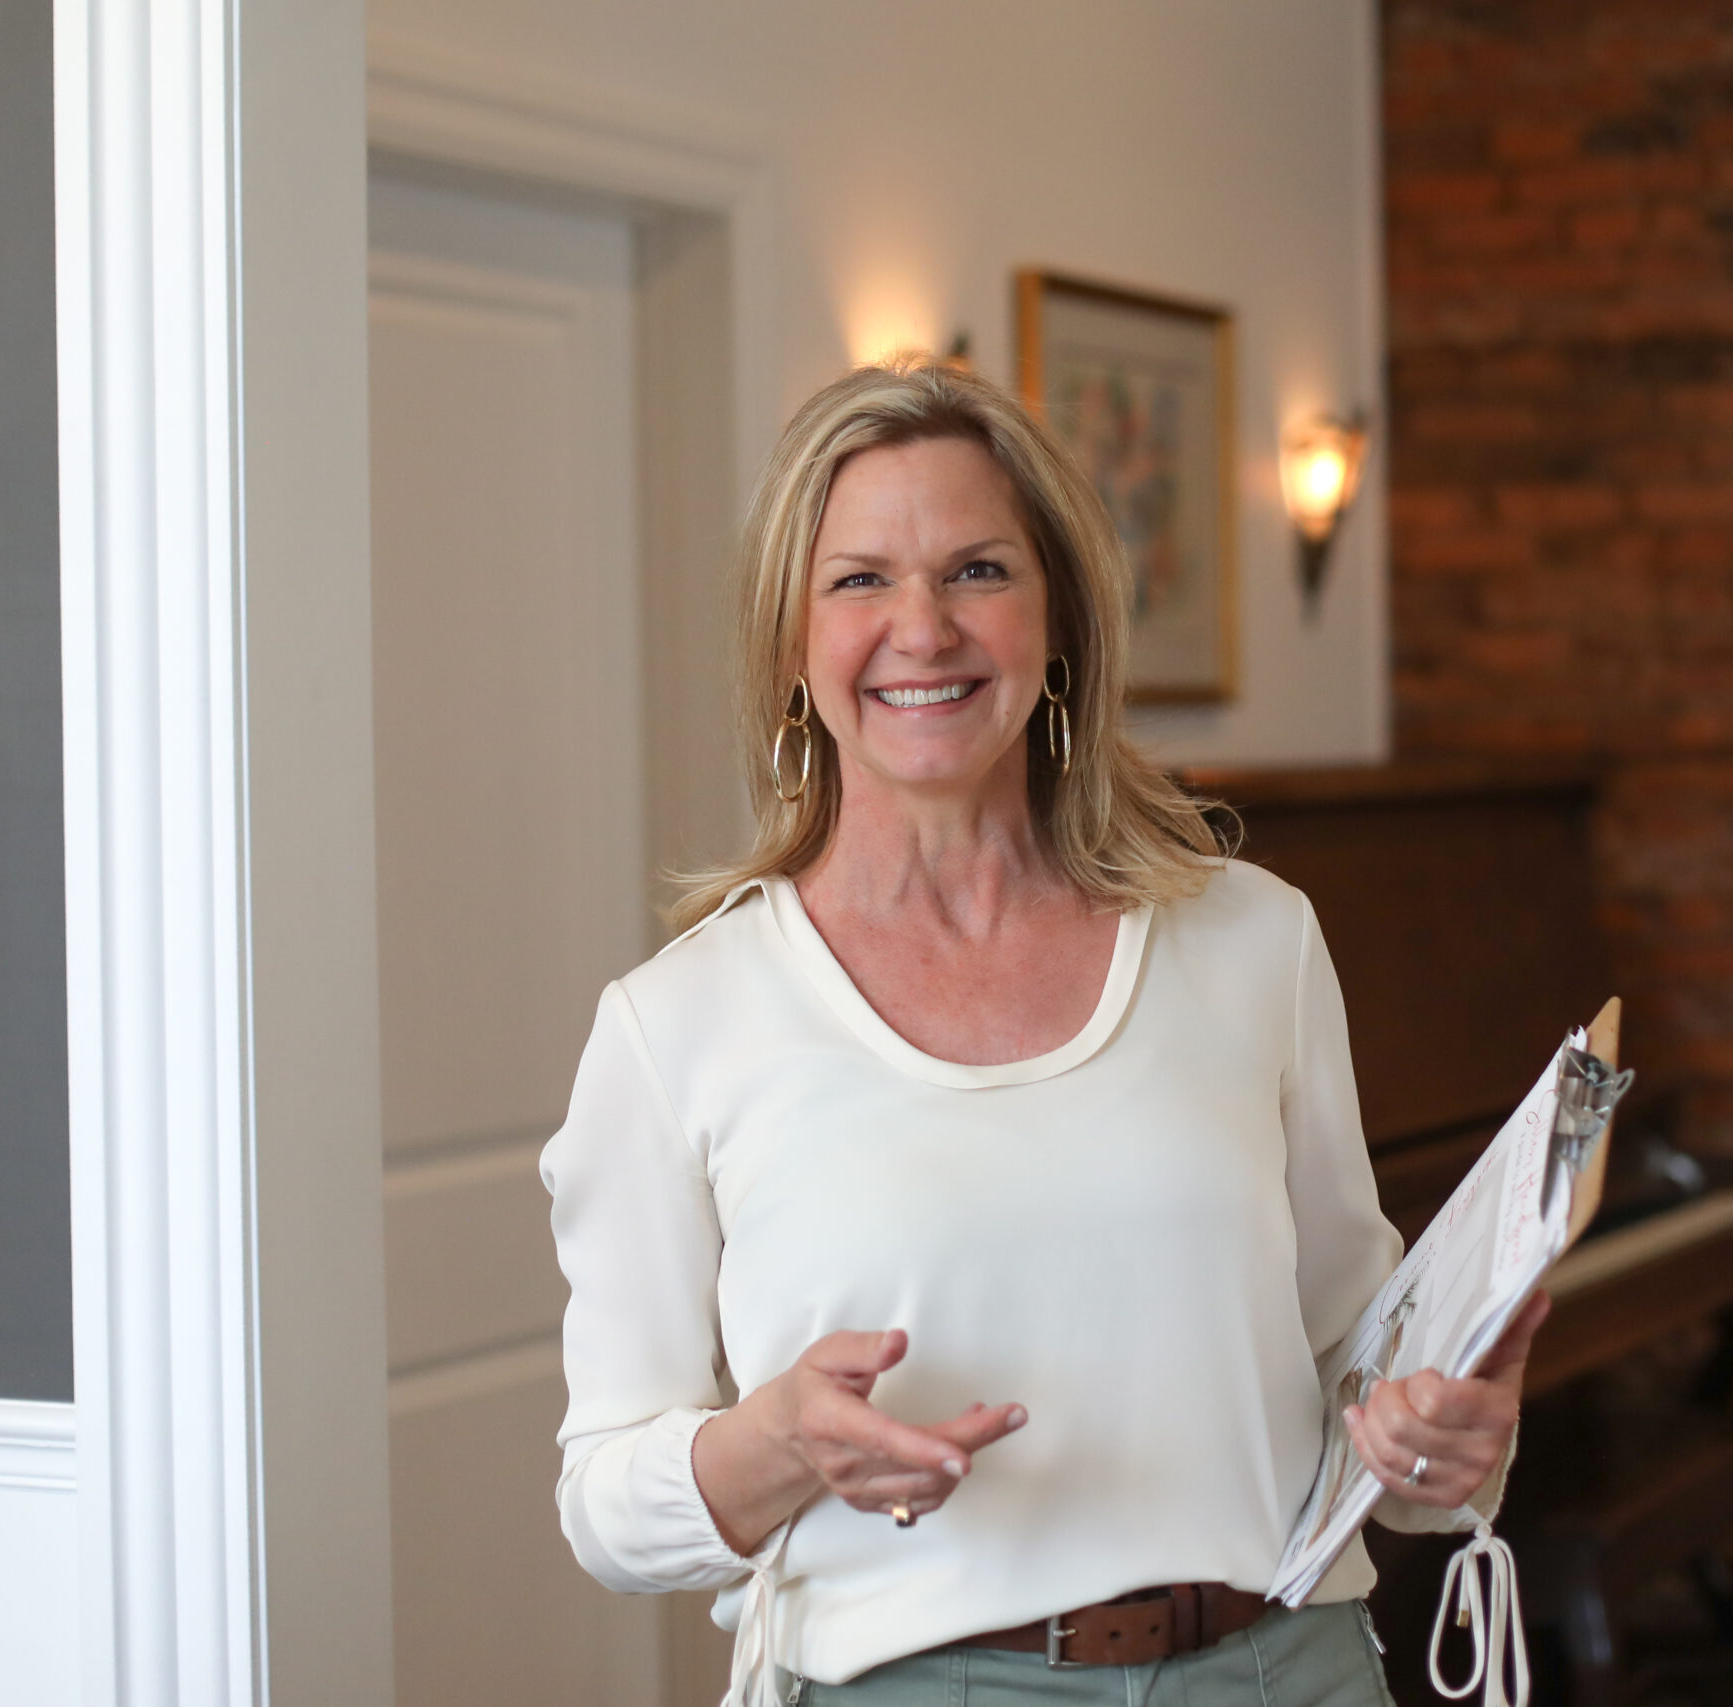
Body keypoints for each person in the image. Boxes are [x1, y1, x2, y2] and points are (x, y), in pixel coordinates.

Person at [540, 360, 1543, 1706]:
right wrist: (771, 1441)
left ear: (1058, 618)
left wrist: (1448, 1437)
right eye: (859, 582)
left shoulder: (1255, 942)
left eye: (977, 572)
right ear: (790, 645)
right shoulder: (679, 1026)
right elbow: (604, 1503)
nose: (923, 629)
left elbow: (1358, 1368)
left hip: (1288, 1671)